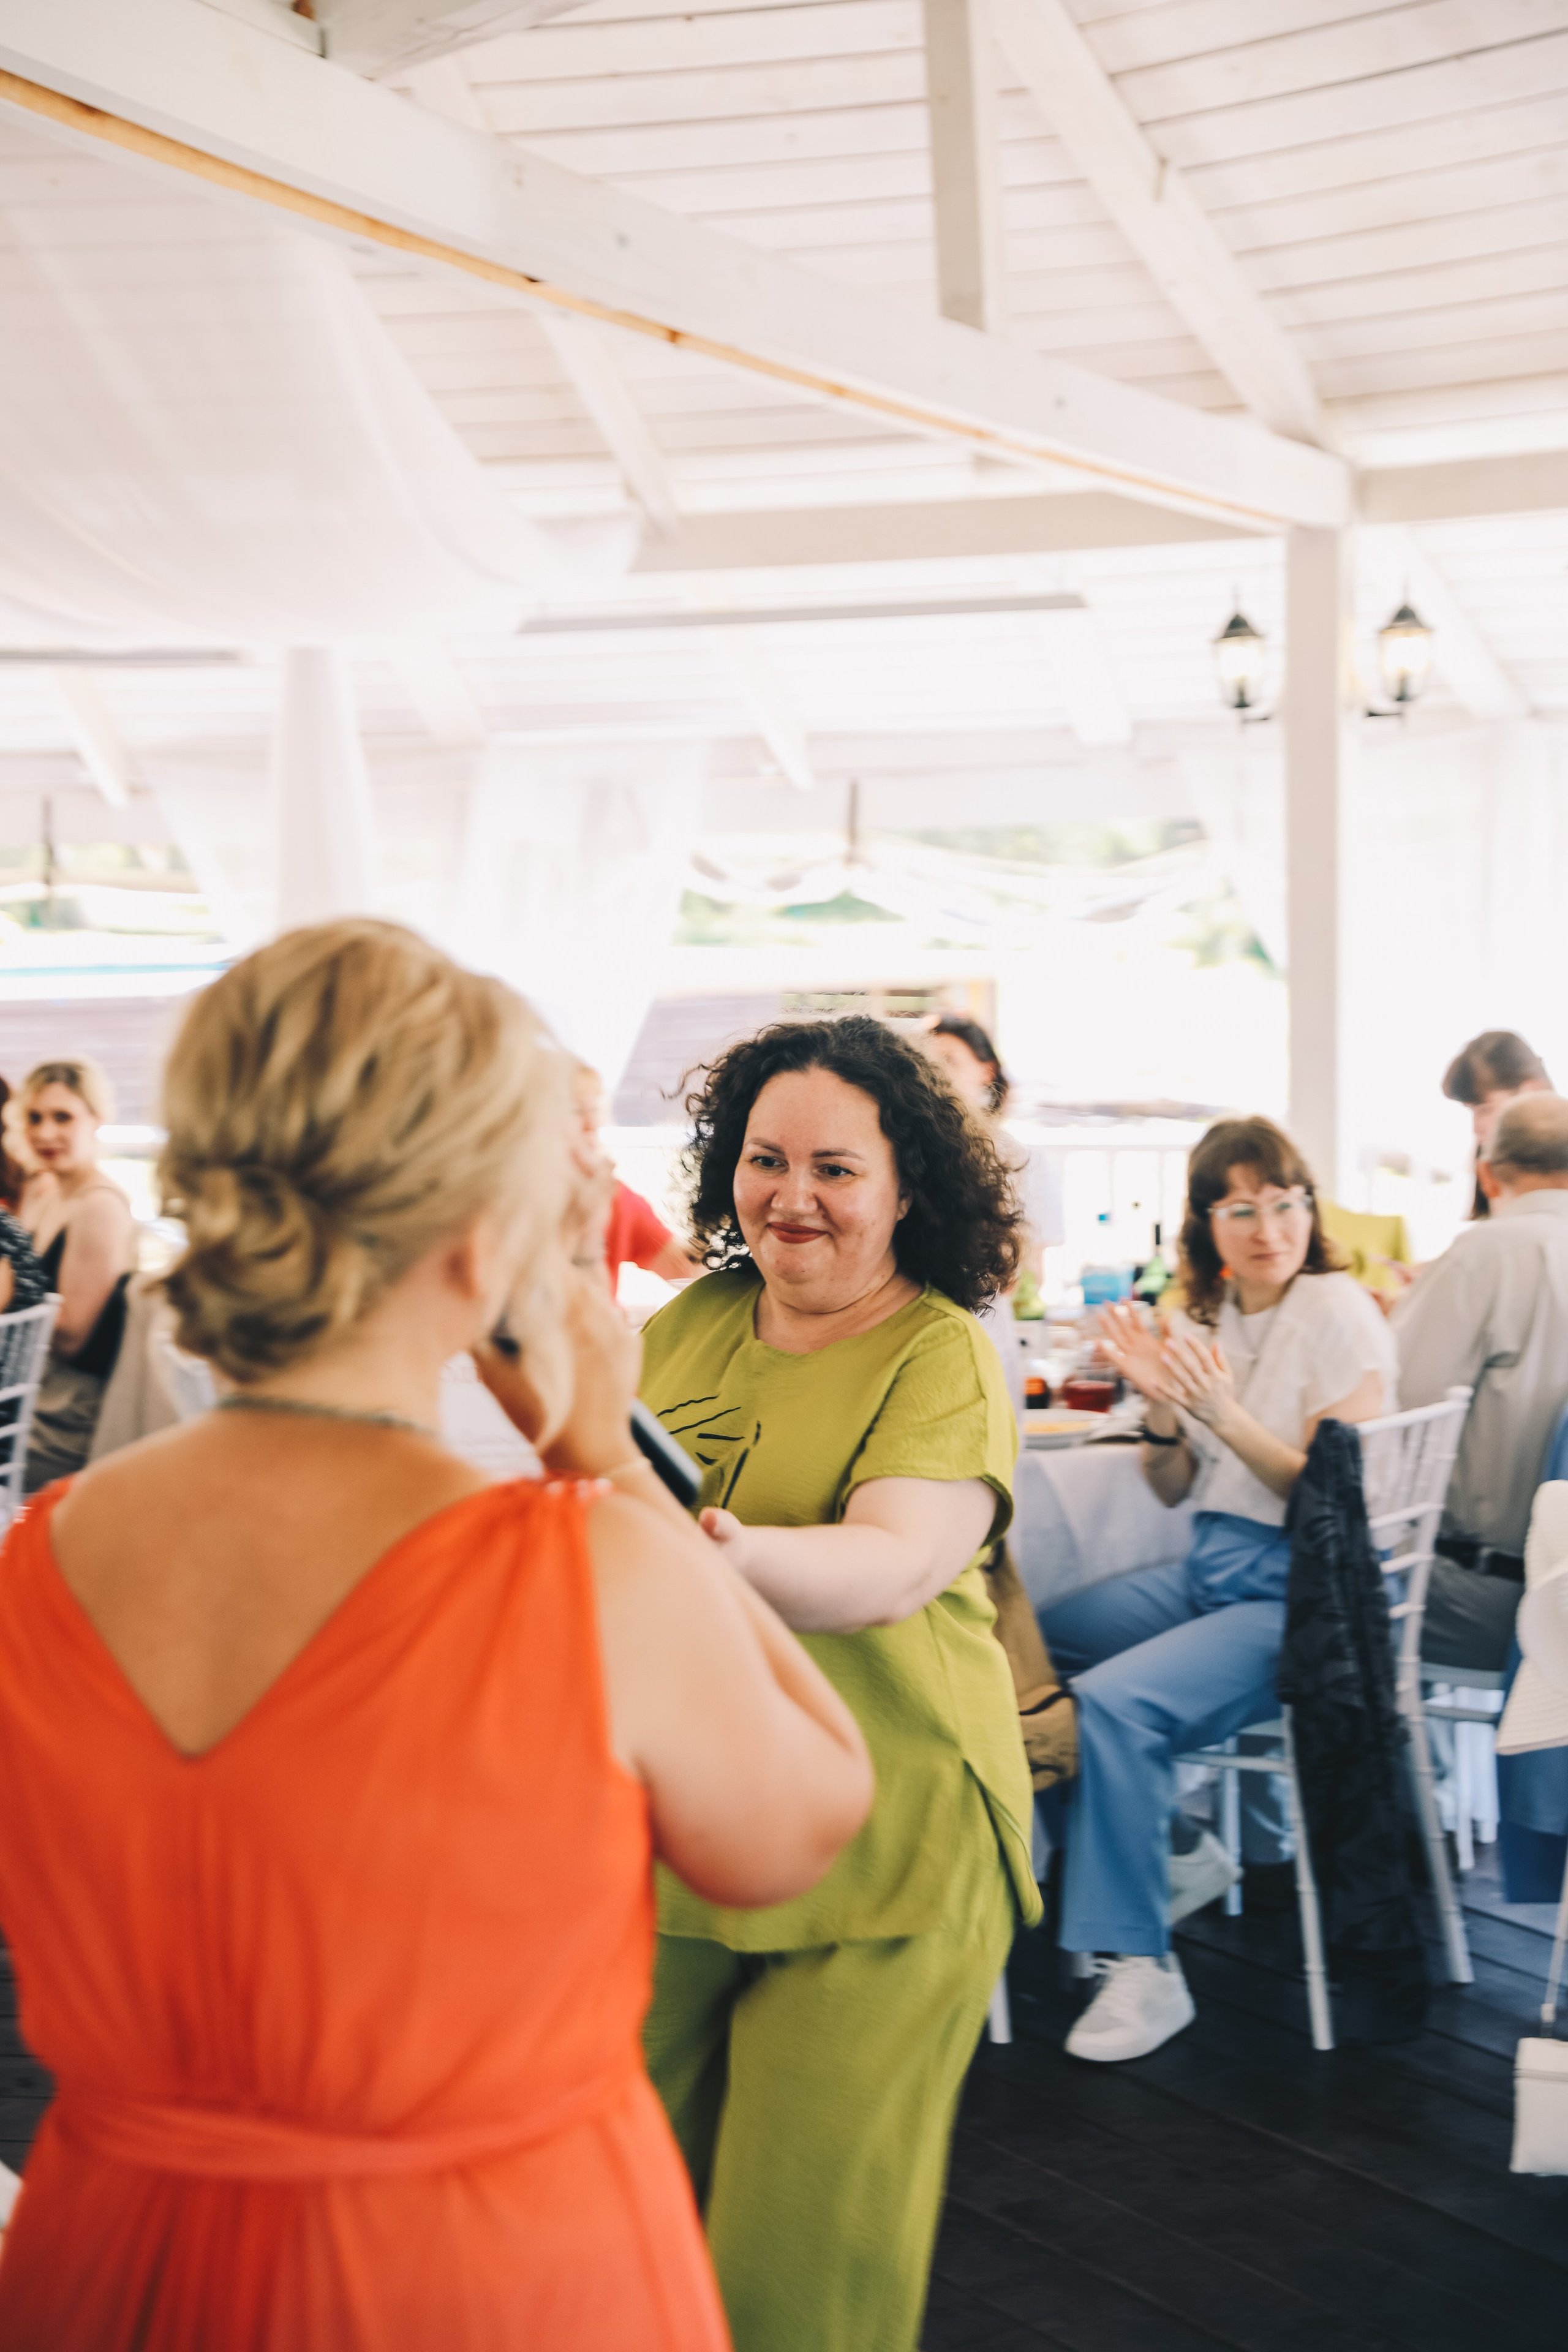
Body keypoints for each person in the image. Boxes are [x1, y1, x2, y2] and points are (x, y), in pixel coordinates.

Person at [0, 920, 872, 2351]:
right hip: (484, 2278)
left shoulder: (36, 1560)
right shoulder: (579, 1561)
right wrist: (611, 1464)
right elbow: (804, 1812)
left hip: (120, 2264)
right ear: (480, 1241)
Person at [638, 1014, 1038, 2352]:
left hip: (892, 1839)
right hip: (688, 1834)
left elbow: (890, 1564)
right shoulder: (684, 1322)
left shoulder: (939, 1349)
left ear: (907, 1185)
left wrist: (706, 1552)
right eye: (763, 1160)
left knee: (789, 2274)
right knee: (626, 2224)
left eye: (834, 1168)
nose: (789, 1198)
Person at [1047, 1115, 1397, 2064]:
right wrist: (1163, 1404)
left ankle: (1140, 1965)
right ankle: (1169, 1853)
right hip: (1213, 1570)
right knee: (1038, 1648)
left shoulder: (1337, 1310)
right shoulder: (1216, 1316)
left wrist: (1221, 1412)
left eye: (1285, 1204)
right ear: (1205, 1224)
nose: (1268, 1227)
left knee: (1115, 1705)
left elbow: (1328, 1498)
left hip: (1304, 1596)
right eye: (1240, 1208)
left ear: (1308, 1210)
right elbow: (1171, 1484)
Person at [1395, 1094, 1568, 1674]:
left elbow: (1398, 1418)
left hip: (1494, 1606)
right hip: (1542, 1602)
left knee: (1291, 1597)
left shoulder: (1484, 1255)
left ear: (1487, 1174)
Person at [7, 1058, 135, 1491]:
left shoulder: (98, 1205)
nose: (45, 1133)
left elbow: (69, 1336)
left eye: (63, 1117)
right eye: (35, 1117)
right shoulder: (44, 1189)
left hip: (59, 1416)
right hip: (25, 1392)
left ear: (96, 1120)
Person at [571, 1061, 696, 1287]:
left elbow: (682, 1269)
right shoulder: (503, 1205)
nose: (591, 1125)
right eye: (576, 1111)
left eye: (595, 1110)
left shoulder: (614, 1196)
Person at [1443, 1029, 1552, 1221]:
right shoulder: (1488, 1163)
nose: (1477, 1128)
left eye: (1486, 1110)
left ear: (1534, 1090)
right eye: (1472, 1112)